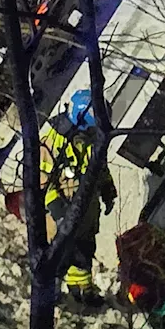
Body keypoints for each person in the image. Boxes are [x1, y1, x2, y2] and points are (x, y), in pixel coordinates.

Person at [39, 90, 117, 310]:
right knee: (59, 251)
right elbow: (41, 181)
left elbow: (100, 166)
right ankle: (48, 291)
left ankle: (81, 288)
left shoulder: (92, 140)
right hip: (62, 210)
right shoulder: (53, 142)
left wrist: (108, 189)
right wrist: (57, 210)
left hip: (86, 209)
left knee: (84, 249)